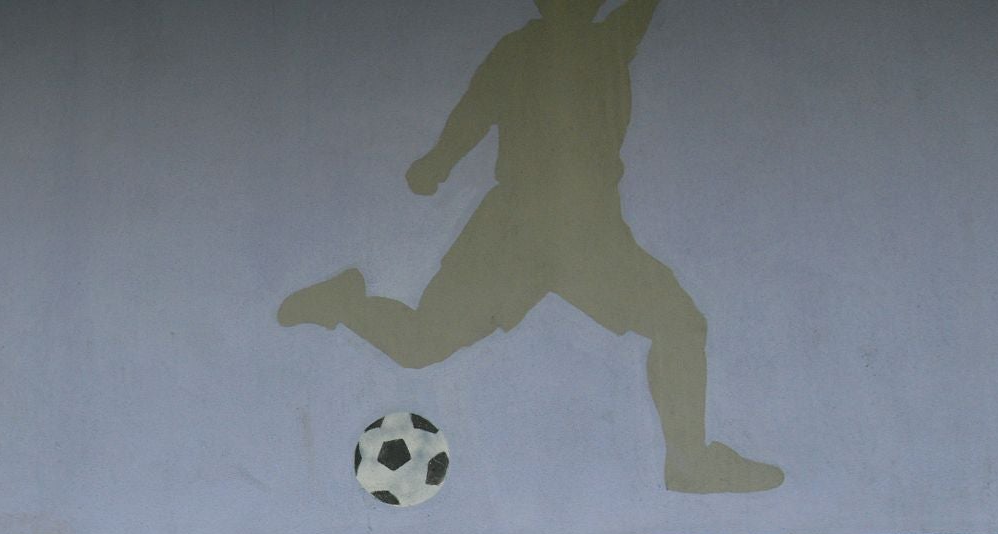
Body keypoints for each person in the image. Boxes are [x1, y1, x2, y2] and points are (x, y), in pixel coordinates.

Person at [278, 0, 783, 494]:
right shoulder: (529, 50)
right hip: (522, 230)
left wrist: (437, 163)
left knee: (679, 323)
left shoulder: (608, 41)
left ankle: (689, 463)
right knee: (420, 344)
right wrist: (437, 162)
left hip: (580, 231)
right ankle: (344, 301)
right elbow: (473, 112)